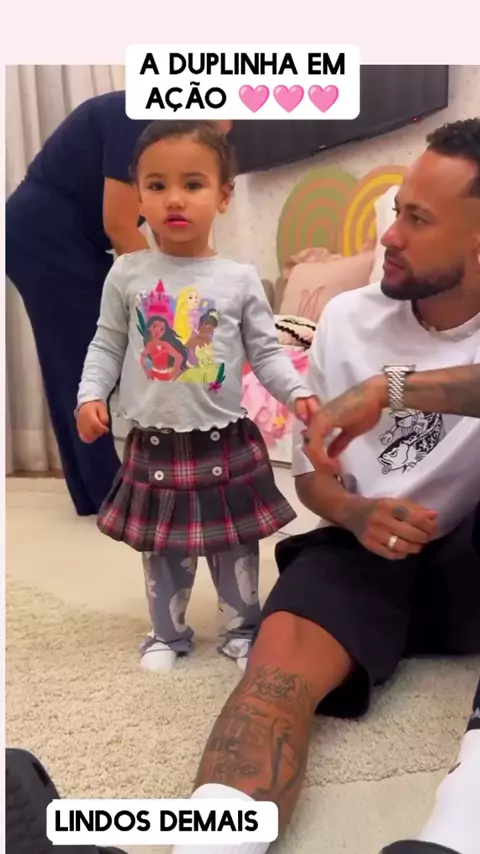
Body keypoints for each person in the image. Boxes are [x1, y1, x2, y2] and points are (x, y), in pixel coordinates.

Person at [169, 116, 480, 854]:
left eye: (418, 219)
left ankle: (458, 832)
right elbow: (313, 478)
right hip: (364, 552)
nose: (390, 236)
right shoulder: (348, 317)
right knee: (278, 667)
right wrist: (355, 511)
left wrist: (389, 389)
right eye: (397, 210)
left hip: (471, 556)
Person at [75, 120, 319, 673]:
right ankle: (167, 634)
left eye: (193, 184)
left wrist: (298, 393)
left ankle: (243, 629)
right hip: (153, 443)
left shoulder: (238, 278)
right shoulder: (126, 274)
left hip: (223, 440)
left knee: (235, 545)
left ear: (224, 196)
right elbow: (107, 344)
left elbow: (267, 353)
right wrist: (91, 394)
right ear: (139, 197)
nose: (174, 199)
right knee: (163, 548)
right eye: (157, 185)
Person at [6, 91, 151, 515]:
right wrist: (167, 291)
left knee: (71, 360)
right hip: (46, 233)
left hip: (49, 232)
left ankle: (93, 493)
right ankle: (111, 493)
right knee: (84, 358)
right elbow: (120, 225)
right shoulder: (138, 115)